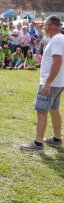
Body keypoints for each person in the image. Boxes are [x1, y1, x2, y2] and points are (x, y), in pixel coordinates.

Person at [21, 16, 64, 151]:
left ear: (51, 25)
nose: (44, 27)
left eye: (45, 25)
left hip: (51, 83)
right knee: (53, 109)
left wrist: (47, 83)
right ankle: (56, 139)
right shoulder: (61, 38)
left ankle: (38, 143)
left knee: (41, 111)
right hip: (58, 82)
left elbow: (57, 61)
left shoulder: (56, 39)